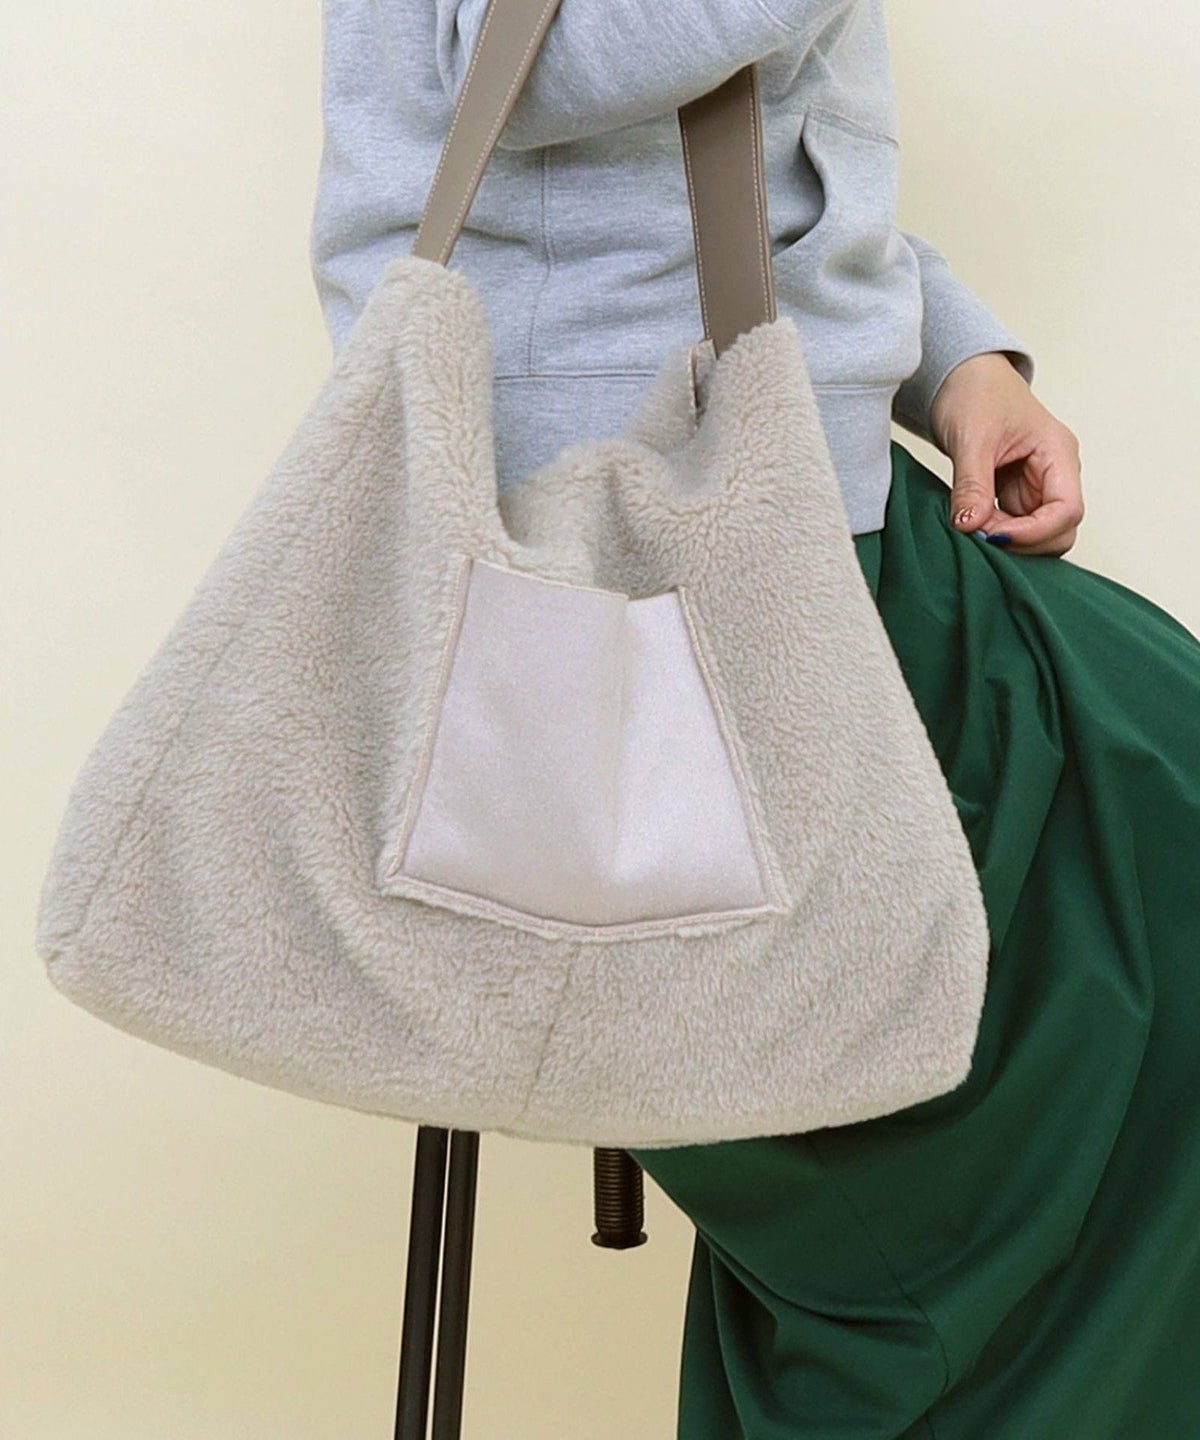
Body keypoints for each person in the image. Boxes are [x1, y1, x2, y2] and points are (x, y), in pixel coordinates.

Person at [312, 4, 1200, 1436]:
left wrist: (956, 360)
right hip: (631, 569)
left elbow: (757, 139)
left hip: (784, 513)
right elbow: (516, 61)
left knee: (1158, 769)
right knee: (1027, 1131)